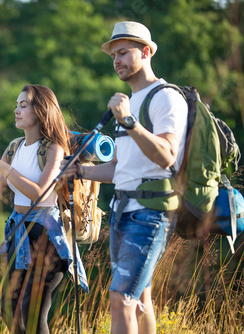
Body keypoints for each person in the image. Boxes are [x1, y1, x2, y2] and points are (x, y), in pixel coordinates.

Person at [60, 21, 188, 334]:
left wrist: (128, 120)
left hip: (151, 212)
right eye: (113, 55)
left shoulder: (165, 98)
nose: (117, 60)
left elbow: (167, 155)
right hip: (122, 211)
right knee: (140, 298)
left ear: (146, 52)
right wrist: (80, 171)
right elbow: (120, 168)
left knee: (120, 298)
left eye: (124, 53)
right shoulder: (130, 103)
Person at [0, 84, 88, 334]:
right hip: (19, 230)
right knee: (9, 308)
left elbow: (40, 194)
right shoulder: (14, 147)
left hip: (47, 232)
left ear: (40, 111)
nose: (16, 110)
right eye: (16, 105)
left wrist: (3, 169)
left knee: (33, 314)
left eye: (23, 105)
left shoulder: (54, 148)